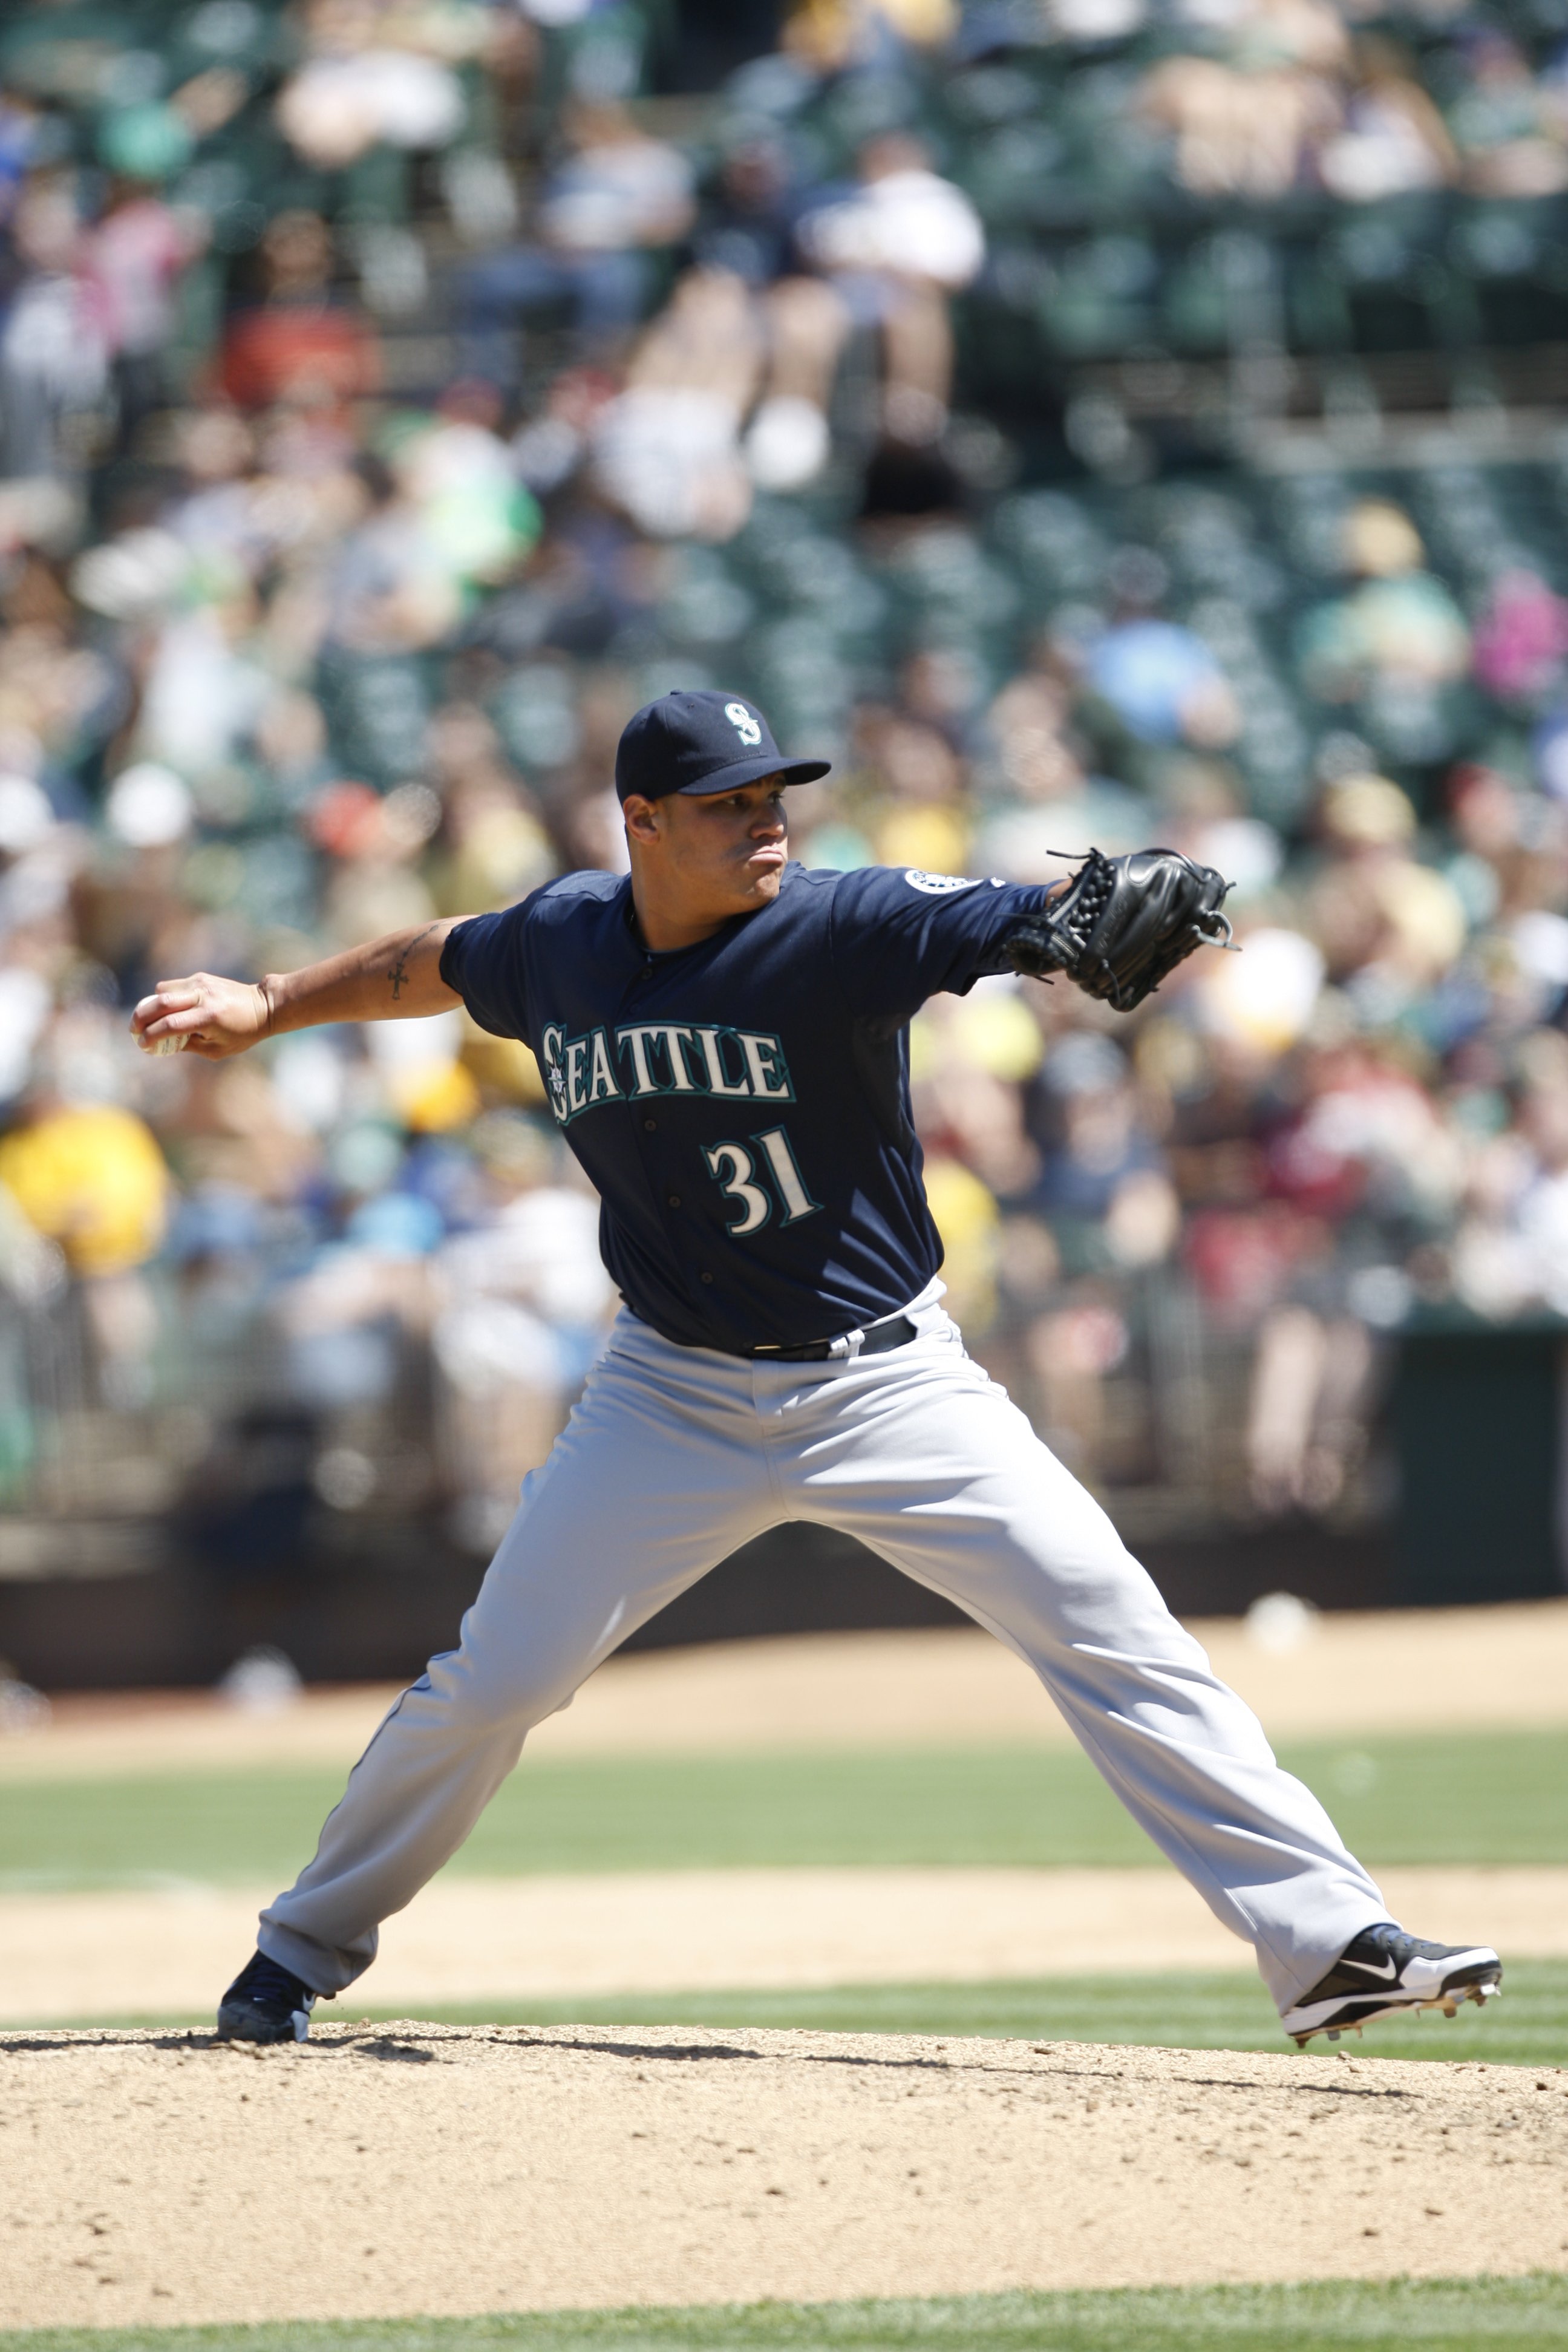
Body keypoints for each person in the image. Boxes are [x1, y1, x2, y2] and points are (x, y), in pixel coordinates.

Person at [132, 689, 1501, 2051]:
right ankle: (298, 1949)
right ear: (645, 821)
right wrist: (268, 1004)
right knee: (495, 1680)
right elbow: (430, 959)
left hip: (888, 1385)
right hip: (667, 1392)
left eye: (774, 797)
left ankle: (1327, 1941)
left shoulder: (835, 923)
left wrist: (1048, 926)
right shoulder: (558, 941)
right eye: (729, 805)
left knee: (1110, 1623)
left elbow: (980, 917)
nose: (765, 826)